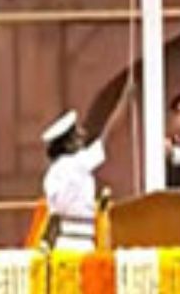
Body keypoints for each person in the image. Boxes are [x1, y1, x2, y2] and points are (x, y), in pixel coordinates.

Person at [41, 81, 132, 251]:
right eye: (77, 135)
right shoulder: (77, 163)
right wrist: (124, 102)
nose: (82, 136)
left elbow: (53, 217)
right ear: (67, 144)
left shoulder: (52, 173)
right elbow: (108, 136)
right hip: (81, 243)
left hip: (62, 243)